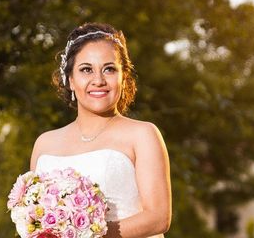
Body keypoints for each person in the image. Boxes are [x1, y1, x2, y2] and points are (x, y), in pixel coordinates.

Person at [30, 22, 172, 238]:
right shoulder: (44, 144)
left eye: (109, 69)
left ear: (123, 78)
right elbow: (33, 218)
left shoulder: (143, 135)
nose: (98, 80)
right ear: (70, 80)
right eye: (86, 69)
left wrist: (87, 234)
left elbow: (159, 217)